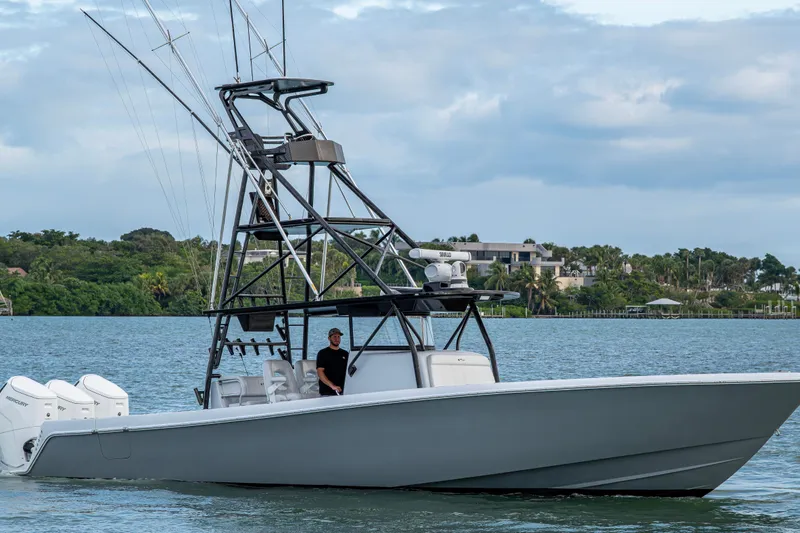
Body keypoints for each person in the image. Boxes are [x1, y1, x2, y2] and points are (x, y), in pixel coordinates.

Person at [316, 328, 349, 396]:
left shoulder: (345, 354)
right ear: (329, 338)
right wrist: (332, 386)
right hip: (327, 392)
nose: (337, 339)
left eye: (338, 337)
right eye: (334, 336)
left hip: (344, 392)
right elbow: (320, 372)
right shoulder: (322, 353)